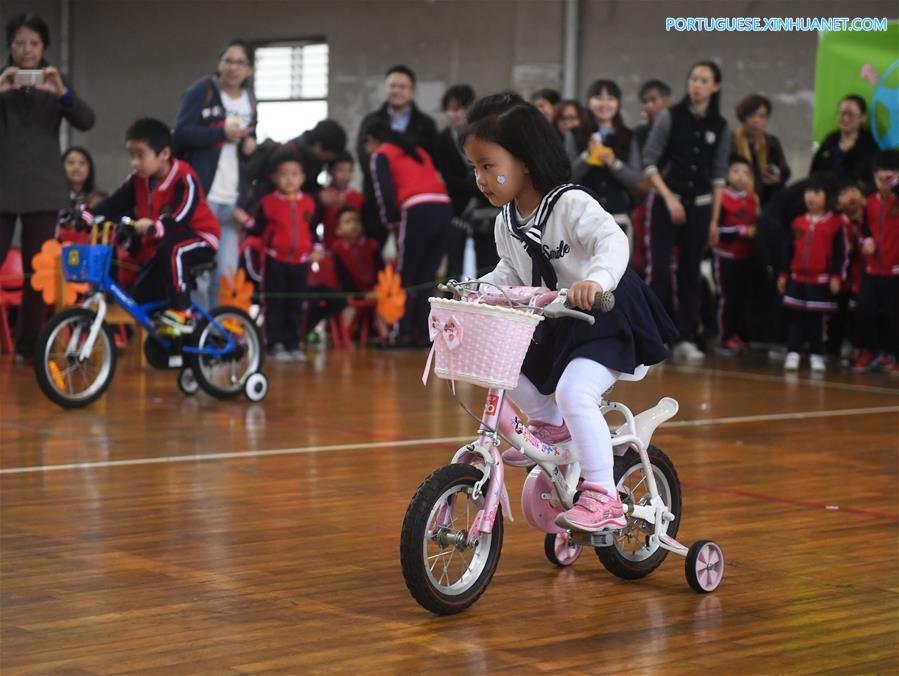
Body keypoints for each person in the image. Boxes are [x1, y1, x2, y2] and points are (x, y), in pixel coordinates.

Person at [463, 93, 677, 531]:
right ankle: (551, 429)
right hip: (560, 319)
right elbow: (511, 269)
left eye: (488, 165)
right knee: (504, 366)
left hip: (606, 314)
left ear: (524, 161)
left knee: (575, 392)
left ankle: (603, 495)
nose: (480, 178)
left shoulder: (570, 203)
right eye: (474, 168)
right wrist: (477, 289)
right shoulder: (507, 218)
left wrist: (595, 280)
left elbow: (612, 241)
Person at [0, 13, 95, 358]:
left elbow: (86, 120)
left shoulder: (56, 83)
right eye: (20, 43)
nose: (27, 50)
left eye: (34, 43)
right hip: (3, 185)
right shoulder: (2, 81)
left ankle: (28, 345)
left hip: (43, 187)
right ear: (9, 46)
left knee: (36, 270)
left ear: (44, 47)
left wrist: (62, 92)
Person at [87, 119, 220, 335]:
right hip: (162, 243)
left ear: (165, 153)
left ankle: (183, 312)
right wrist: (87, 214)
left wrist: (159, 226)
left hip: (199, 237)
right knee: (141, 295)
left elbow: (183, 212)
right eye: (131, 155)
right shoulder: (138, 180)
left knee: (172, 250)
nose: (134, 162)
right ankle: (174, 341)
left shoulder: (184, 176)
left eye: (140, 155)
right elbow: (114, 203)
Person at [641, 60, 731, 361]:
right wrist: (669, 198)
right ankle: (653, 339)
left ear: (715, 87)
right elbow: (650, 162)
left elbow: (719, 176)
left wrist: (715, 219)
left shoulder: (720, 126)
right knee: (660, 272)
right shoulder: (670, 116)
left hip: (702, 207)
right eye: (693, 78)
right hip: (667, 201)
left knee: (691, 272)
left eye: (704, 80)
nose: (697, 85)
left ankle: (685, 337)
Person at [172, 38, 257, 307]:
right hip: (203, 196)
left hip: (232, 200)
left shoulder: (250, 98)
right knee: (201, 273)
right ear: (219, 64)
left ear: (250, 70)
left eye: (239, 62)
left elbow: (248, 138)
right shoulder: (202, 90)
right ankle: (197, 334)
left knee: (226, 275)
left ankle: (217, 337)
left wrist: (250, 141)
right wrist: (220, 133)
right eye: (227, 60)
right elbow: (181, 134)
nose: (232, 67)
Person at [363, 118, 451, 345]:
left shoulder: (381, 153)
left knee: (406, 274)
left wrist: (390, 223)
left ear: (371, 140)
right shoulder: (418, 151)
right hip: (443, 207)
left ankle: (399, 334)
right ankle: (424, 333)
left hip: (416, 209)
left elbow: (384, 194)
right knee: (427, 276)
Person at [245, 149, 319, 361]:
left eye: (295, 174)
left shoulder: (310, 203)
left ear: (303, 177)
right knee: (275, 303)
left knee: (296, 304)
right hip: (275, 261)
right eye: (284, 174)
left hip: (301, 263)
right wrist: (245, 220)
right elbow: (256, 229)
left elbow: (313, 231)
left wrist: (317, 250)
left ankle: (293, 343)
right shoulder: (268, 203)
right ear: (274, 177)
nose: (289, 179)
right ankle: (275, 343)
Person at [356, 65, 438, 243]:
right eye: (392, 86)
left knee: (412, 257)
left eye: (402, 87)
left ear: (412, 91)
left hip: (415, 201)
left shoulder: (426, 124)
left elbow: (429, 162)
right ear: (385, 89)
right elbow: (364, 157)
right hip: (377, 201)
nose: (397, 91)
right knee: (376, 256)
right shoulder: (371, 121)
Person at [777, 177, 847, 372]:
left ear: (827, 197)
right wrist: (783, 274)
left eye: (817, 193)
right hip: (797, 278)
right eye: (808, 192)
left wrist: (835, 276)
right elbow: (788, 250)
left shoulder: (835, 224)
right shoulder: (798, 222)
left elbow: (840, 253)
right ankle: (793, 352)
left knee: (816, 320)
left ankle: (817, 353)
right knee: (795, 317)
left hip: (820, 280)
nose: (811, 197)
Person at [433, 84, 499, 279]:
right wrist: (473, 186)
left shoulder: (484, 136)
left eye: (460, 108)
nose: (455, 114)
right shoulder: (442, 140)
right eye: (450, 109)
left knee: (487, 264)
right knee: (455, 264)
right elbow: (447, 177)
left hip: (486, 209)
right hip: (457, 209)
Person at [565, 79, 641, 233]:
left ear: (618, 103)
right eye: (598, 98)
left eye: (610, 98)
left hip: (618, 217)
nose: (604, 104)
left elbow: (635, 180)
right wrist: (587, 156)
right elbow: (567, 176)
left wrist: (615, 164)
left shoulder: (629, 136)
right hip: (583, 216)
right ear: (588, 102)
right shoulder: (574, 134)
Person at [854, 150, 899, 375]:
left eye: (889, 179)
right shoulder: (868, 203)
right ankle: (868, 350)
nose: (884, 184)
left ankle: (895, 355)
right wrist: (867, 241)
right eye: (880, 179)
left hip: (895, 269)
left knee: (895, 314)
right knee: (865, 309)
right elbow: (863, 230)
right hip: (872, 269)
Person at [712, 157, 759, 355]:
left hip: (745, 256)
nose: (741, 177)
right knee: (727, 298)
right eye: (736, 171)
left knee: (742, 298)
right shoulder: (721, 198)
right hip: (725, 256)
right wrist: (741, 231)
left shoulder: (752, 199)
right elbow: (717, 230)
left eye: (746, 173)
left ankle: (737, 334)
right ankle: (724, 337)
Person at [809, 94, 878, 194]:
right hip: (824, 195)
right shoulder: (830, 140)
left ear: (863, 117)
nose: (845, 118)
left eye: (851, 114)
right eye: (842, 113)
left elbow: (871, 180)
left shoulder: (869, 144)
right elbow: (814, 171)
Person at [731, 94, 791, 205]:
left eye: (762, 116)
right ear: (743, 117)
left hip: (766, 199)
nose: (756, 121)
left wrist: (776, 177)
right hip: (734, 199)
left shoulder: (771, 142)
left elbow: (785, 171)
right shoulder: (731, 141)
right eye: (752, 115)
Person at [832, 179, 865, 365]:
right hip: (845, 279)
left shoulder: (872, 218)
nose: (850, 195)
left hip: (870, 276)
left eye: (853, 190)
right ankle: (841, 347)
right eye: (844, 192)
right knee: (842, 314)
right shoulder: (838, 223)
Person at [330, 206, 383, 293]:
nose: (353, 225)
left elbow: (380, 271)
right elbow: (342, 278)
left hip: (377, 292)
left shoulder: (372, 245)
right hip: (353, 296)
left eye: (356, 220)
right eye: (348, 222)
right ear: (338, 230)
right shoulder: (337, 250)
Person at [58, 147, 101, 244]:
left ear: (89, 168)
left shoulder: (99, 198)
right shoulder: (54, 197)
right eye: (70, 163)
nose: (76, 168)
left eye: (82, 163)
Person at [320, 151, 364, 248]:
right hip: (330, 249)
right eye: (340, 170)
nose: (346, 175)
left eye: (350, 171)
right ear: (330, 172)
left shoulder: (358, 198)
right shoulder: (323, 197)